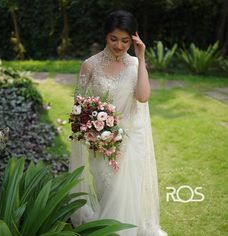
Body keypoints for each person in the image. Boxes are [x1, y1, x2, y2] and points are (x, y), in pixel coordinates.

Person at [70, 10, 167, 236]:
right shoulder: (90, 65)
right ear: (105, 36)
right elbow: (78, 108)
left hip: (132, 140)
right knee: (108, 192)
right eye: (114, 39)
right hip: (100, 142)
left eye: (125, 40)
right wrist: (92, 128)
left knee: (127, 195)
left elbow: (142, 97)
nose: (119, 45)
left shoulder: (135, 64)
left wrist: (142, 58)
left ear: (133, 39)